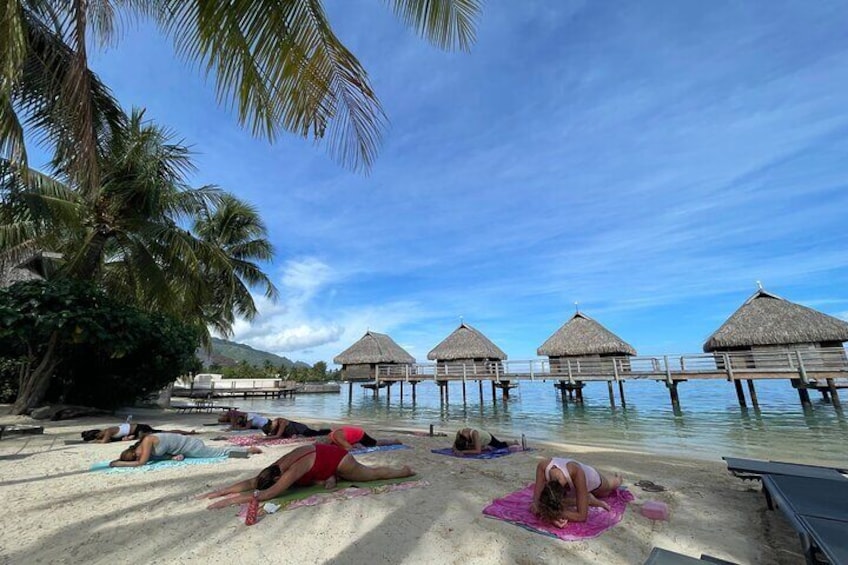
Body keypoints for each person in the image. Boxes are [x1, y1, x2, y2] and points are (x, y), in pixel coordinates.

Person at [201, 443, 414, 509]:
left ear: (278, 478)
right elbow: (253, 483)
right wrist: (220, 492)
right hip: (319, 459)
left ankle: (404, 470)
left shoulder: (291, 472)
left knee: (370, 474)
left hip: (338, 459)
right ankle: (330, 478)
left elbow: (266, 495)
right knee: (318, 480)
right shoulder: (275, 467)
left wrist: (228, 501)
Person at [530, 457, 622, 526]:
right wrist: (552, 517)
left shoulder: (576, 472)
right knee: (557, 502)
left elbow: (582, 516)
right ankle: (588, 499)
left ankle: (618, 477)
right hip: (574, 483)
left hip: (592, 479)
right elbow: (535, 504)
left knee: (609, 488)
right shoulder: (542, 466)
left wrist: (553, 514)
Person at [108, 433, 261, 467]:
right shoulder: (147, 449)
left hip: (191, 446)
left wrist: (118, 463)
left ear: (135, 450)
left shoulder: (147, 441)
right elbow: (162, 453)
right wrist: (172, 458)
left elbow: (141, 463)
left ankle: (248, 450)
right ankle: (244, 450)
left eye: (135, 456)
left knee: (218, 453)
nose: (139, 457)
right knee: (216, 451)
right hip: (187, 448)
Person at [81, 423, 197, 443]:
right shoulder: (108, 431)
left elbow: (104, 442)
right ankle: (188, 433)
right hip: (138, 430)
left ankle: (188, 433)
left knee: (165, 432)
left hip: (140, 429)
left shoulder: (108, 431)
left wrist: (96, 442)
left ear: (97, 435)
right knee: (163, 432)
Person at [326, 426, 402, 450]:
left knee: (375, 443)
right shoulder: (331, 436)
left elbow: (349, 448)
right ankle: (357, 443)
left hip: (360, 435)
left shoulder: (337, 437)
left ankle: (394, 441)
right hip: (352, 436)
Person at [261, 418, 331, 439]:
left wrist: (266, 438)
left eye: (271, 429)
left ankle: (329, 431)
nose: (272, 431)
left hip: (301, 428)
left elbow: (278, 436)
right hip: (294, 431)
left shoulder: (282, 422)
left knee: (314, 433)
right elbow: (276, 434)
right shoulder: (274, 426)